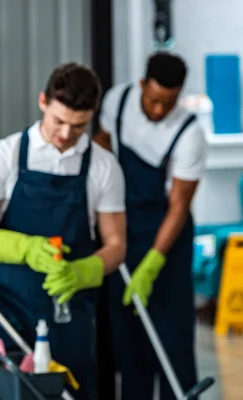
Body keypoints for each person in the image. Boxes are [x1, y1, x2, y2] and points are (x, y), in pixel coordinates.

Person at [0, 63, 127, 400]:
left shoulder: (103, 167)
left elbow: (117, 245)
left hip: (68, 316)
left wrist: (84, 270)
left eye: (78, 126)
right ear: (43, 102)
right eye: (59, 121)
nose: (65, 134)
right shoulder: (7, 156)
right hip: (6, 313)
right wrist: (25, 248)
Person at [95, 51, 208, 400]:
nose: (160, 110)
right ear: (143, 84)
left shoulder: (190, 133)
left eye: (169, 103)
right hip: (123, 229)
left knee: (172, 334)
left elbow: (178, 206)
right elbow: (103, 149)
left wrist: (153, 263)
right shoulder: (119, 100)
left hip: (167, 239)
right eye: (154, 100)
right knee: (129, 337)